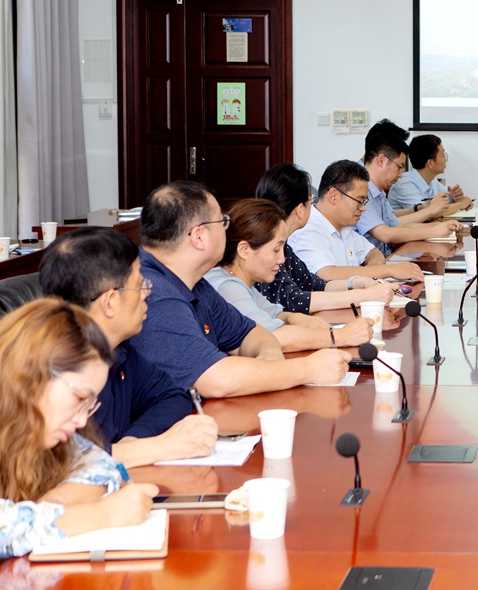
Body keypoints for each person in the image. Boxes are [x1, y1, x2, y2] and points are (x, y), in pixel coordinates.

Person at [131, 181, 351, 398]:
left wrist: (270, 360)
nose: (227, 228)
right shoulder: (151, 293)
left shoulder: (194, 283)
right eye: (222, 221)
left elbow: (251, 333)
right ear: (199, 237)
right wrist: (307, 369)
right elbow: (216, 380)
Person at [39, 228, 218, 468]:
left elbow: (172, 396)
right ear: (110, 302)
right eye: (140, 284)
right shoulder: (57, 370)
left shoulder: (120, 350)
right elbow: (63, 463)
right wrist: (159, 447)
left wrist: (132, 443)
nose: (147, 293)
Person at [0, 300, 159, 557]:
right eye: (79, 398)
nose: (82, 421)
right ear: (32, 374)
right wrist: (101, 514)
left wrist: (57, 504)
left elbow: (103, 465)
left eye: (89, 405)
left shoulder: (37, 430)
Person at [206, 198, 372, 352]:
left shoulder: (239, 280)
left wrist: (294, 318)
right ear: (244, 250)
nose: (282, 259)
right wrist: (341, 336)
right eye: (276, 250)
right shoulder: (227, 287)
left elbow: (274, 313)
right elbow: (271, 338)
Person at [254, 163, 399, 313]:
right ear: (299, 209)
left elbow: (316, 284)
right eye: (310, 200)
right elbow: (295, 300)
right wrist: (366, 295)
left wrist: (356, 282)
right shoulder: (265, 248)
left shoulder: (285, 249)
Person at [289, 161, 425, 285]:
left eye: (364, 202)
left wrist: (373, 271)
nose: (363, 208)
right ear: (333, 195)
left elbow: (373, 253)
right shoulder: (307, 229)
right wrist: (388, 270)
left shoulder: (343, 226)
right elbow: (327, 275)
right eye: (359, 201)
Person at [354, 119, 459, 257]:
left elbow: (397, 224)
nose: (400, 175)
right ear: (381, 160)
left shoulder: (378, 191)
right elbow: (386, 234)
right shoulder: (358, 189)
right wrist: (434, 230)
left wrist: (441, 226)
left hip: (386, 256)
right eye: (399, 167)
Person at [388, 134, 472, 213]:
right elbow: (427, 213)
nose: (446, 160)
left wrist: (454, 198)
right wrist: (460, 204)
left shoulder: (432, 181)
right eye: (443, 155)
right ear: (430, 163)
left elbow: (444, 206)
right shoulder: (404, 184)